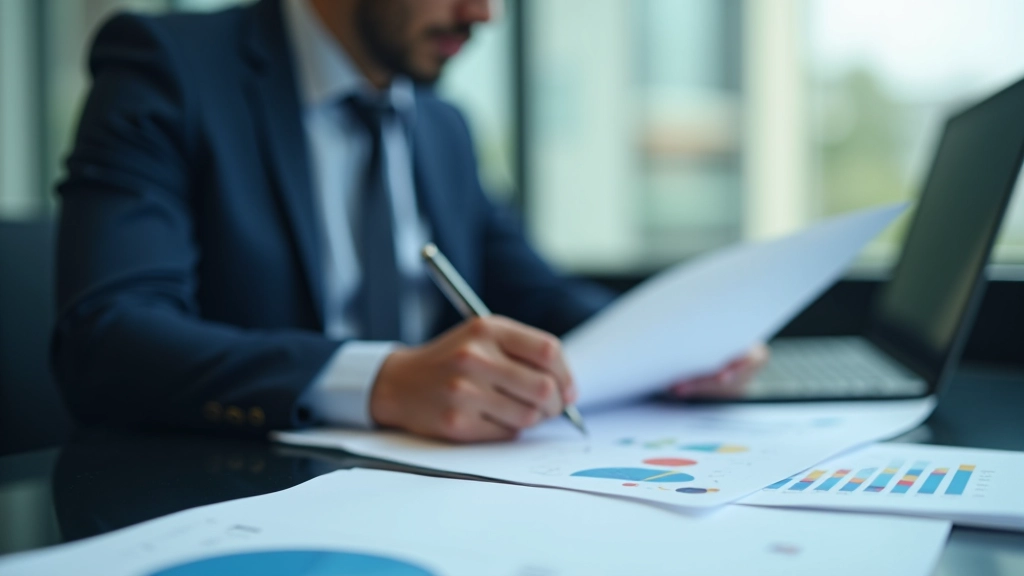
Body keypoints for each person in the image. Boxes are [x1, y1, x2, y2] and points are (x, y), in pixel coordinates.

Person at [53, 0, 766, 443]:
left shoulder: (443, 127)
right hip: (227, 501)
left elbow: (536, 291)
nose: (484, 13)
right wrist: (382, 381)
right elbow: (109, 337)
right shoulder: (168, 68)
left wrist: (675, 347)